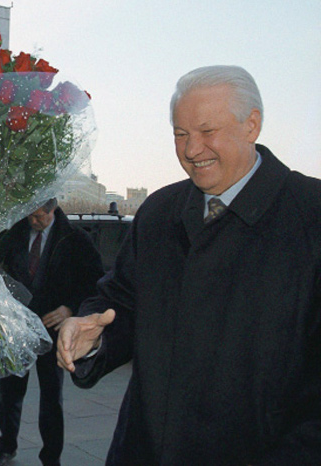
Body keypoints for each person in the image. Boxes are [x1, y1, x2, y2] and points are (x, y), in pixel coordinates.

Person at [57, 65, 321, 465]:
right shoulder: (161, 210)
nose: (192, 149)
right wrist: (92, 336)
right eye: (180, 134)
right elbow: (120, 301)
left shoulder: (311, 215)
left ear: (252, 125)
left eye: (206, 131)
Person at [0, 198, 104, 466]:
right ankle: (5, 448)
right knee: (10, 392)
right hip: (18, 326)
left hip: (53, 329)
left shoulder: (75, 239)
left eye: (39, 217)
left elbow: (95, 280)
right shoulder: (17, 232)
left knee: (51, 397)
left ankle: (51, 457)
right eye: (30, 216)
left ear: (53, 210)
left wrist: (70, 308)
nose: (34, 222)